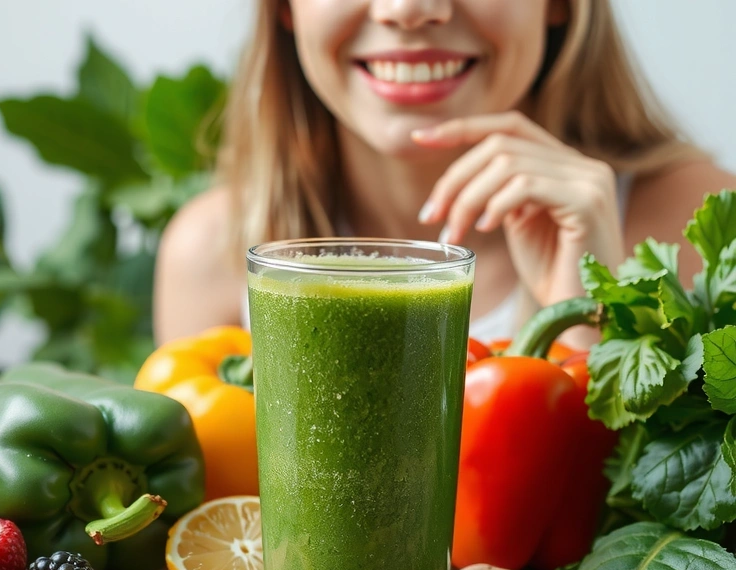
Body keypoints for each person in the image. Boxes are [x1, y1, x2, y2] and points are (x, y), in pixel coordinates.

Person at [153, 0, 736, 348]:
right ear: (283, 7)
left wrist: (587, 317)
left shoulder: (703, 230)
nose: (408, 9)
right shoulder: (212, 259)